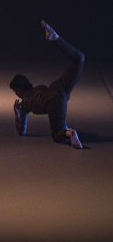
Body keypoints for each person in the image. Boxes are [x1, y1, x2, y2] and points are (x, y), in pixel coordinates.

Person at [9, 20, 85, 149]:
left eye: (15, 91)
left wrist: (17, 114)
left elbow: (22, 131)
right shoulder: (37, 89)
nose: (15, 94)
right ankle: (56, 39)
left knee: (56, 135)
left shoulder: (24, 105)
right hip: (57, 86)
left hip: (54, 100)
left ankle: (70, 133)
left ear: (18, 89)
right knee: (79, 59)